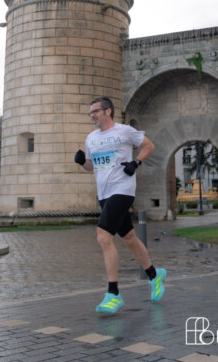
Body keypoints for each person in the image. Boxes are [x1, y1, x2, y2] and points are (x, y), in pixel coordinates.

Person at [74, 96, 166, 314]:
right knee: (129, 238)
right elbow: (92, 166)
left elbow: (149, 145)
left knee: (103, 236)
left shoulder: (124, 131)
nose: (92, 116)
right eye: (90, 112)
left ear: (108, 111)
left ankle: (113, 294)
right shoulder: (91, 138)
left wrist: (136, 162)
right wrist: (82, 162)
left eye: (95, 111)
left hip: (123, 189)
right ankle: (154, 275)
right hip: (104, 193)